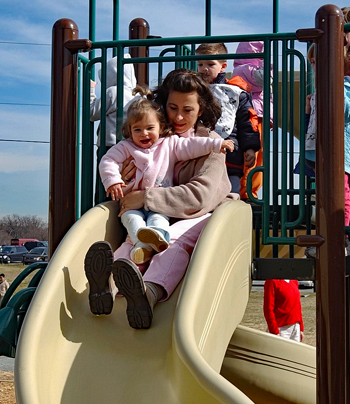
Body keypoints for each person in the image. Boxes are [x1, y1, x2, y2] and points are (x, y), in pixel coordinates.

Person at [84, 68, 237, 329]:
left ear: (200, 110)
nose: (178, 116)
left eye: (187, 110)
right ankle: (106, 287)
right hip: (157, 215)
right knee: (135, 239)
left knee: (173, 238)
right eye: (172, 107)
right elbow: (119, 172)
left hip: (204, 215)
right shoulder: (148, 140)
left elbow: (199, 197)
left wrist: (145, 197)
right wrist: (123, 180)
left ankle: (148, 294)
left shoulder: (208, 142)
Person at [99, 86, 234, 265]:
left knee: (158, 221)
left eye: (149, 128)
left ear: (160, 127)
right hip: (131, 204)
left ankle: (152, 243)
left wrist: (216, 144)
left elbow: (191, 146)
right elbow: (108, 161)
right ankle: (136, 251)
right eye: (137, 130)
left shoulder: (168, 144)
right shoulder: (126, 147)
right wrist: (114, 180)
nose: (144, 133)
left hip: (159, 205)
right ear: (129, 130)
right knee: (132, 221)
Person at [195, 42, 261, 194]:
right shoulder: (194, 90)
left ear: (223, 66)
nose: (204, 69)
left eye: (210, 64)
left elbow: (247, 120)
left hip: (230, 151)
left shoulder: (235, 91)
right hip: (201, 149)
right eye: (200, 64)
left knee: (231, 189)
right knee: (204, 186)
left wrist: (250, 147)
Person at [90, 54, 137, 204]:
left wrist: (90, 91)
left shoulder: (113, 92)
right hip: (131, 147)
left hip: (109, 146)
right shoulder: (137, 94)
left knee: (106, 182)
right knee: (124, 182)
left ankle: (102, 206)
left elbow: (92, 113)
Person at [231, 41, 274, 200]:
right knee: (252, 156)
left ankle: (252, 192)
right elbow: (263, 81)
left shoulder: (254, 68)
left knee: (261, 157)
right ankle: (246, 192)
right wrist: (266, 62)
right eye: (259, 52)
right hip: (252, 116)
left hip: (261, 116)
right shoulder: (243, 69)